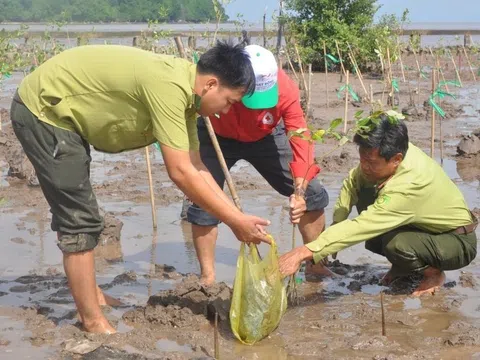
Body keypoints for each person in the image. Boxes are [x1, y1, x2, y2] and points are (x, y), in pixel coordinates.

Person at [10, 42, 272, 334]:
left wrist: (238, 217)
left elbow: (197, 166)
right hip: (43, 111)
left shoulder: (188, 98)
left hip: (66, 116)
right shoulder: (169, 87)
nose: (225, 112)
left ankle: (92, 295)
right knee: (80, 221)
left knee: (85, 214)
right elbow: (180, 172)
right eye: (229, 102)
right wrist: (234, 221)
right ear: (211, 84)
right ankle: (92, 321)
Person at [279, 112, 478, 296]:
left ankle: (433, 274)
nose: (364, 166)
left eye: (371, 162)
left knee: (396, 245)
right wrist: (336, 226)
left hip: (455, 240)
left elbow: (363, 225)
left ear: (396, 159)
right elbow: (351, 184)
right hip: (424, 229)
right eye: (362, 158)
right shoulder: (393, 151)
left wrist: (304, 252)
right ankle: (403, 266)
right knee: (366, 192)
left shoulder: (410, 184)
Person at [184, 45, 330, 286]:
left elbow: (301, 138)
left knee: (313, 194)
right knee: (203, 201)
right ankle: (208, 277)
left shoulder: (286, 90)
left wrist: (300, 191)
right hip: (216, 135)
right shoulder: (221, 82)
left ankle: (316, 264)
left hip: (266, 136)